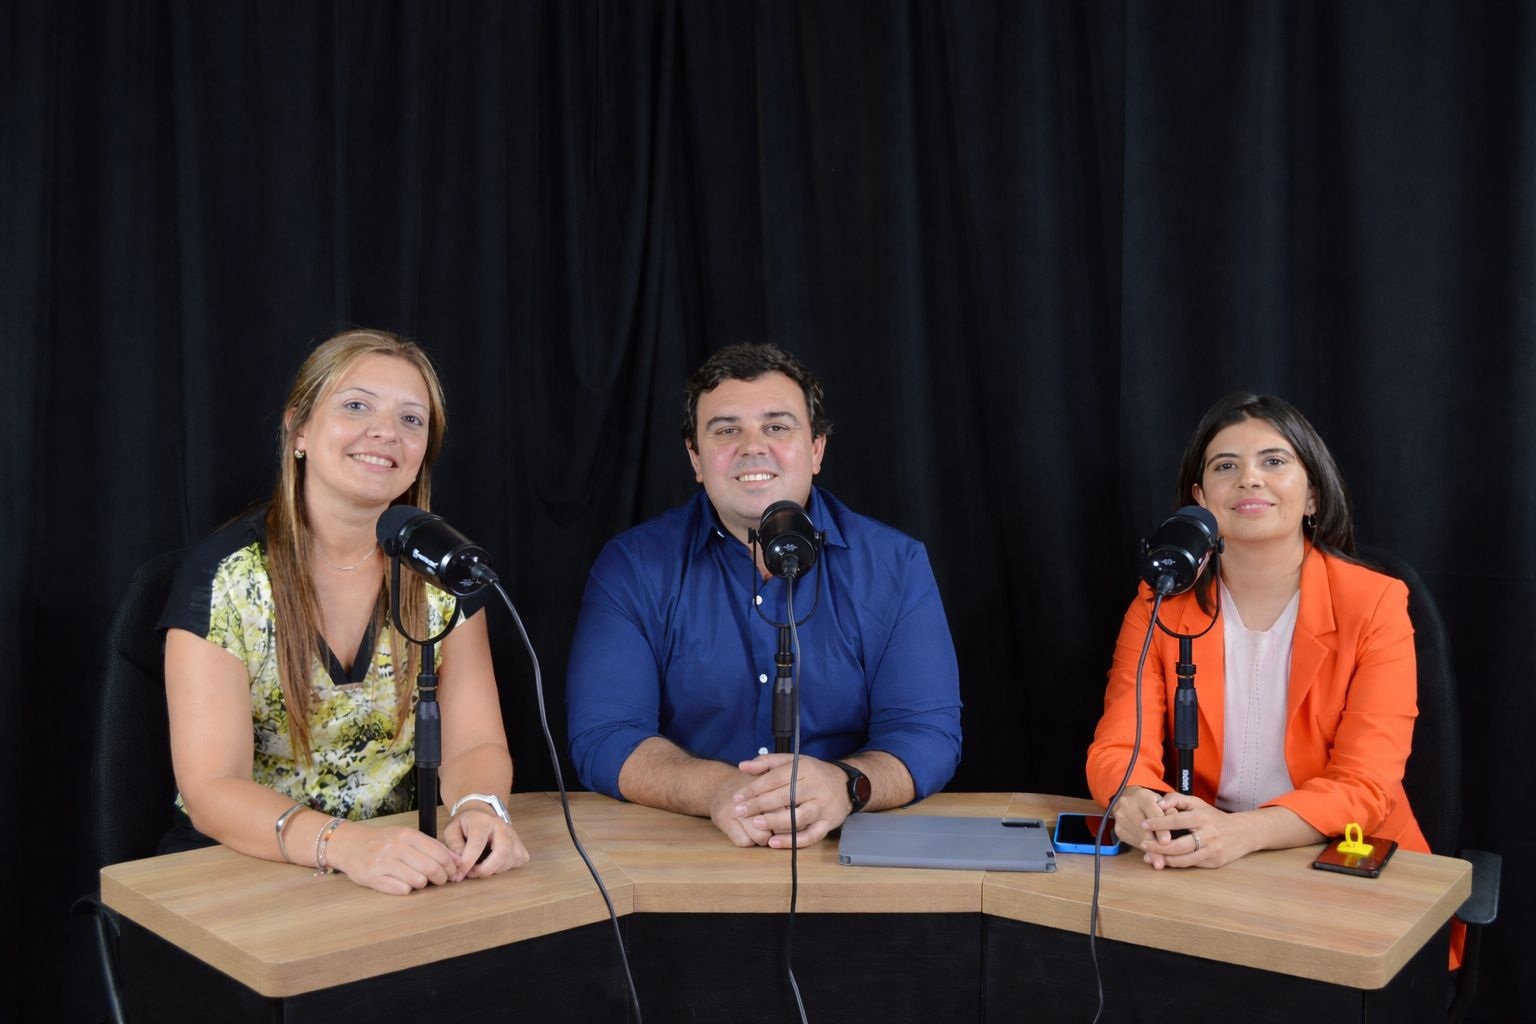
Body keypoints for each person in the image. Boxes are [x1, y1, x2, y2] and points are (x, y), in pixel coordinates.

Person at [161, 328, 529, 895]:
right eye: (356, 406)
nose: (385, 431)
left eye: (411, 419)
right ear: (299, 430)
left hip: (396, 871)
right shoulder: (227, 578)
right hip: (243, 874)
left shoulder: (443, 572)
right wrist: (345, 845)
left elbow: (475, 744)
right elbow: (212, 788)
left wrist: (480, 809)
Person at [566, 343, 962, 849]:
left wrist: (844, 786)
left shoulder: (895, 565)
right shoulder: (632, 566)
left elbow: (927, 734)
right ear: (695, 458)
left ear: (816, 449)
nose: (753, 447)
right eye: (726, 430)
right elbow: (604, 735)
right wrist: (717, 790)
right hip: (688, 845)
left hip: (844, 846)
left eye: (777, 427)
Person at [1086, 392, 1427, 871]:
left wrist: (1243, 832)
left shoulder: (1375, 603)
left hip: (1344, 856)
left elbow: (1365, 784)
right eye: (1225, 466)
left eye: (1273, 461)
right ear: (1200, 500)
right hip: (1205, 854)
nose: (1248, 478)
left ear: (1312, 494)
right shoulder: (1159, 600)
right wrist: (1135, 799)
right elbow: (1119, 748)